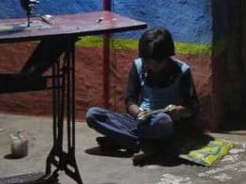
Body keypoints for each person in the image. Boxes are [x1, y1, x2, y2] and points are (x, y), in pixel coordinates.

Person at [86, 26, 200, 166]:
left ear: (167, 58)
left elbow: (193, 107)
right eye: (147, 62)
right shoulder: (138, 66)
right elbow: (130, 100)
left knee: (162, 120)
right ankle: (147, 145)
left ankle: (125, 140)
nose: (150, 66)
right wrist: (139, 112)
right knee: (93, 115)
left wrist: (180, 111)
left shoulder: (182, 71)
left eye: (155, 63)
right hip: (140, 121)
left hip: (164, 124)